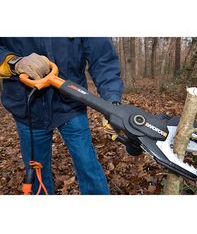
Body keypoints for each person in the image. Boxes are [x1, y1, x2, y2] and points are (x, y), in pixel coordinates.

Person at [0, 37, 124, 195]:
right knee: (37, 173)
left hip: (71, 105)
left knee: (88, 165)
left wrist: (111, 104)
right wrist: (14, 62)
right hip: (28, 109)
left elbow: (102, 59)